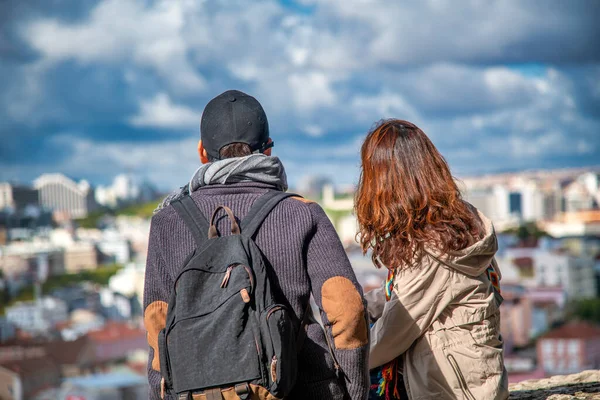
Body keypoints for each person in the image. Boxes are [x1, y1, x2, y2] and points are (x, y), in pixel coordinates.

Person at [143, 90, 369, 400]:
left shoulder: (167, 223)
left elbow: (158, 324)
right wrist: (355, 390)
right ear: (268, 150)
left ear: (201, 153)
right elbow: (346, 307)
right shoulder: (301, 213)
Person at [355, 119, 509, 400]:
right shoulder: (458, 222)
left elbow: (393, 333)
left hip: (453, 390)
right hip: (476, 378)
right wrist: (359, 307)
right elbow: (408, 295)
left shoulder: (431, 248)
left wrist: (338, 362)